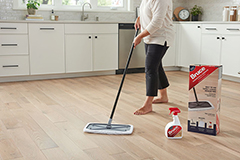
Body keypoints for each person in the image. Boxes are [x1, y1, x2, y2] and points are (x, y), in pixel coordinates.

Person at [133, 0, 174, 115]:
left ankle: (148, 104)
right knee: (157, 66)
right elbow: (149, 11)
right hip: (150, 37)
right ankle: (164, 96)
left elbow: (157, 22)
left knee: (150, 68)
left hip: (161, 37)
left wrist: (139, 36)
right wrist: (139, 18)